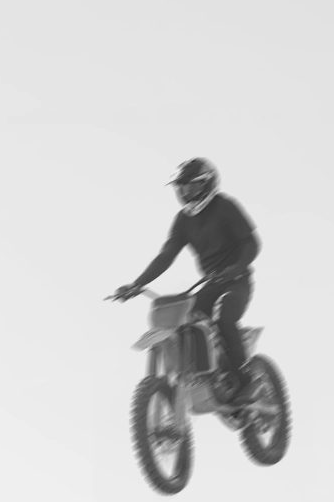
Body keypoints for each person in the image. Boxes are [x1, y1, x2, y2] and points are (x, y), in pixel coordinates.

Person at [112, 159, 261, 402]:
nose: (186, 193)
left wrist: (236, 268)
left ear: (208, 183)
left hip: (237, 280)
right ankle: (206, 375)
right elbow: (166, 255)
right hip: (211, 283)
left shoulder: (225, 206)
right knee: (186, 321)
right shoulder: (183, 220)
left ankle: (247, 382)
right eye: (182, 188)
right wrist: (136, 284)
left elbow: (251, 243)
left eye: (192, 187)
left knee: (224, 319)